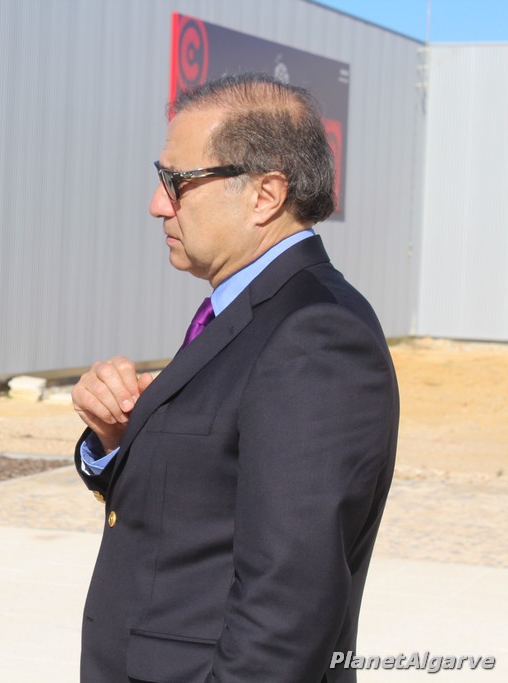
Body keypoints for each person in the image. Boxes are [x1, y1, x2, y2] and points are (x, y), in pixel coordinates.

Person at [71, 73, 398, 682]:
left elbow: (288, 605)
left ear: (264, 196)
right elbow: (198, 505)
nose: (158, 204)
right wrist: (113, 438)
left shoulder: (315, 335)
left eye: (177, 181)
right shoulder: (248, 313)